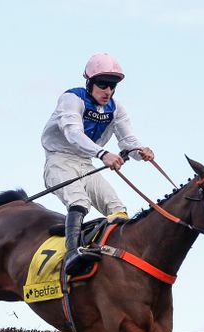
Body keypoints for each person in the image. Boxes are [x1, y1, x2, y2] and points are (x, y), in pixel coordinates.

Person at [41, 53, 156, 276]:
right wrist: (103, 153)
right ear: (90, 83)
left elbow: (127, 140)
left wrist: (141, 151)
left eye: (112, 86)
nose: (108, 91)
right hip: (59, 160)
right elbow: (73, 133)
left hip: (86, 163)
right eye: (103, 85)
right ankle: (72, 254)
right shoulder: (71, 99)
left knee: (117, 209)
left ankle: (117, 258)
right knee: (80, 202)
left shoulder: (115, 108)